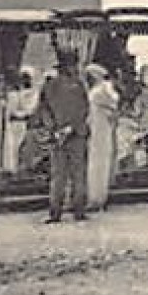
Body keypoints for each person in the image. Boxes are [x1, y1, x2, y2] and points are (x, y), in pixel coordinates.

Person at [34, 50, 90, 223]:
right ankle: (78, 210)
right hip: (76, 134)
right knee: (77, 173)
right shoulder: (78, 86)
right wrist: (70, 128)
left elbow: (43, 110)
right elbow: (83, 110)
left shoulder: (49, 86)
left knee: (58, 174)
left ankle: (55, 211)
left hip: (58, 135)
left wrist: (55, 129)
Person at [85, 64, 120, 211]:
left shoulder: (100, 92)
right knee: (96, 163)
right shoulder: (100, 91)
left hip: (100, 130)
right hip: (97, 128)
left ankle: (97, 198)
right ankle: (95, 196)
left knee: (98, 163)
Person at [4, 67, 39, 172]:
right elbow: (11, 109)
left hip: (26, 124)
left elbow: (31, 109)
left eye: (27, 77)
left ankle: (25, 169)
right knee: (13, 147)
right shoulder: (16, 93)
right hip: (14, 125)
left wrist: (20, 114)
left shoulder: (34, 93)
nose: (24, 80)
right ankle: (13, 169)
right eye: (23, 77)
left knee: (25, 148)